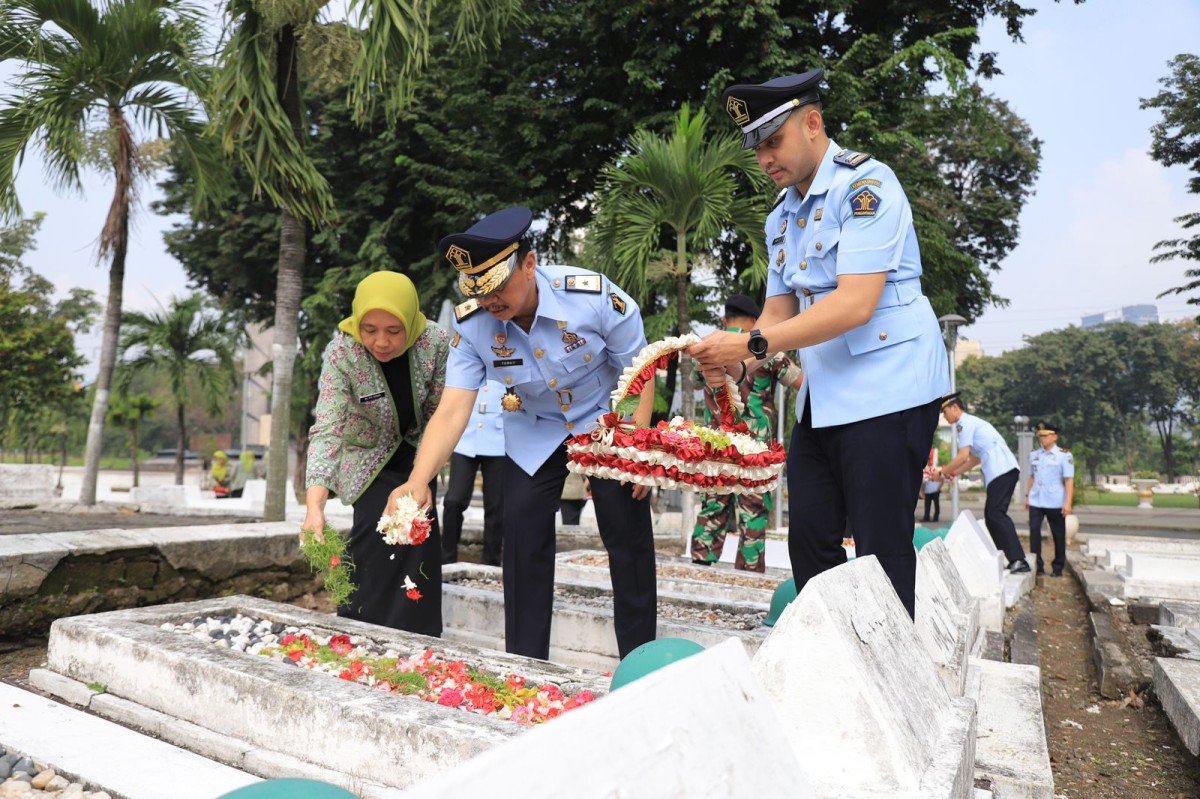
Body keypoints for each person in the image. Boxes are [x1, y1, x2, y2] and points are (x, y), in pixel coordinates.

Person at [689, 70, 950, 618]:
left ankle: (891, 685)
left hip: (891, 387)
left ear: (812, 124)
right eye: (755, 149)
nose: (764, 160)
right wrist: (732, 366)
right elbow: (778, 313)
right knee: (808, 543)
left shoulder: (867, 187)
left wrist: (751, 346)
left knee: (880, 549)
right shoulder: (781, 218)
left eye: (772, 143)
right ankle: (835, 664)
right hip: (825, 396)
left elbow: (855, 304)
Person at [392, 206, 658, 660]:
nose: (492, 303)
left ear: (529, 265)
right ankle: (527, 664)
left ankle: (640, 660)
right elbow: (454, 407)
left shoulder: (591, 298)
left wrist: (634, 447)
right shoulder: (474, 324)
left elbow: (639, 370)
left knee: (625, 532)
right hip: (534, 430)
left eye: (498, 288)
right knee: (522, 536)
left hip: (605, 422)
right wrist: (418, 481)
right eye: (481, 292)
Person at [302, 271, 450, 635]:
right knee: (373, 529)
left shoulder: (436, 343)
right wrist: (314, 507)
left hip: (420, 449)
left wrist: (424, 477)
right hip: (366, 455)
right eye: (369, 329)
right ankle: (359, 631)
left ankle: (418, 638)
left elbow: (442, 414)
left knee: (419, 532)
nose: (381, 342)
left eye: (393, 330)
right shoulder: (342, 353)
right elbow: (328, 429)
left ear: (411, 321)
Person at [691, 292, 802, 572]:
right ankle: (749, 573)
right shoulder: (767, 349)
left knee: (713, 505)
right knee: (753, 511)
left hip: (716, 446)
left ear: (724, 318)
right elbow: (799, 382)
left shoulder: (708, 348)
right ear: (756, 321)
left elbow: (694, 380)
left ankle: (701, 567)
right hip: (755, 449)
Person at [935, 393, 1032, 573]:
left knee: (996, 514)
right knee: (992, 516)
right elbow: (973, 460)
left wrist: (943, 471)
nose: (944, 416)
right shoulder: (971, 423)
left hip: (1001, 470)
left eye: (945, 411)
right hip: (1002, 470)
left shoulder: (965, 424)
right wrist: (951, 474)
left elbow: (963, 455)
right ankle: (1010, 559)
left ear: (955, 408)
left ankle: (1018, 559)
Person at [441, 378, 505, 566]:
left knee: (496, 505)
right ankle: (447, 559)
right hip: (465, 438)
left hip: (499, 441)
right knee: (454, 500)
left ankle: (491, 562)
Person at [1025, 422, 1074, 577]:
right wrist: (1028, 496)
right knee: (1034, 532)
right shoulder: (1035, 455)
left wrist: (1068, 502)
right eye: (1040, 435)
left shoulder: (1064, 455)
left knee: (1058, 534)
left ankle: (1058, 567)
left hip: (1055, 500)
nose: (1042, 438)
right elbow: (1031, 476)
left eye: (1046, 435)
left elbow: (1068, 480)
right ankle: (1037, 566)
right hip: (1036, 500)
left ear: (1054, 437)